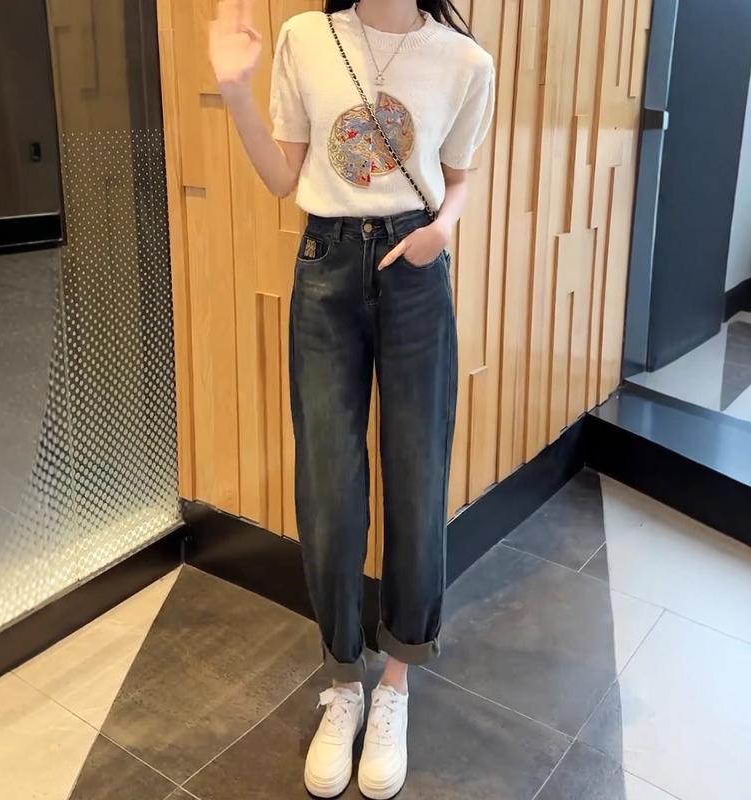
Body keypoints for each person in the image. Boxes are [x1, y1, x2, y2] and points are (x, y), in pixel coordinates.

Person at [209, 0, 494, 796]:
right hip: (325, 266)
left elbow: (460, 179)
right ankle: (343, 681)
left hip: (415, 269)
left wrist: (443, 230)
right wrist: (233, 89)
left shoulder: (465, 60)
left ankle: (396, 681)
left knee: (416, 476)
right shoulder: (306, 37)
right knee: (330, 485)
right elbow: (283, 177)